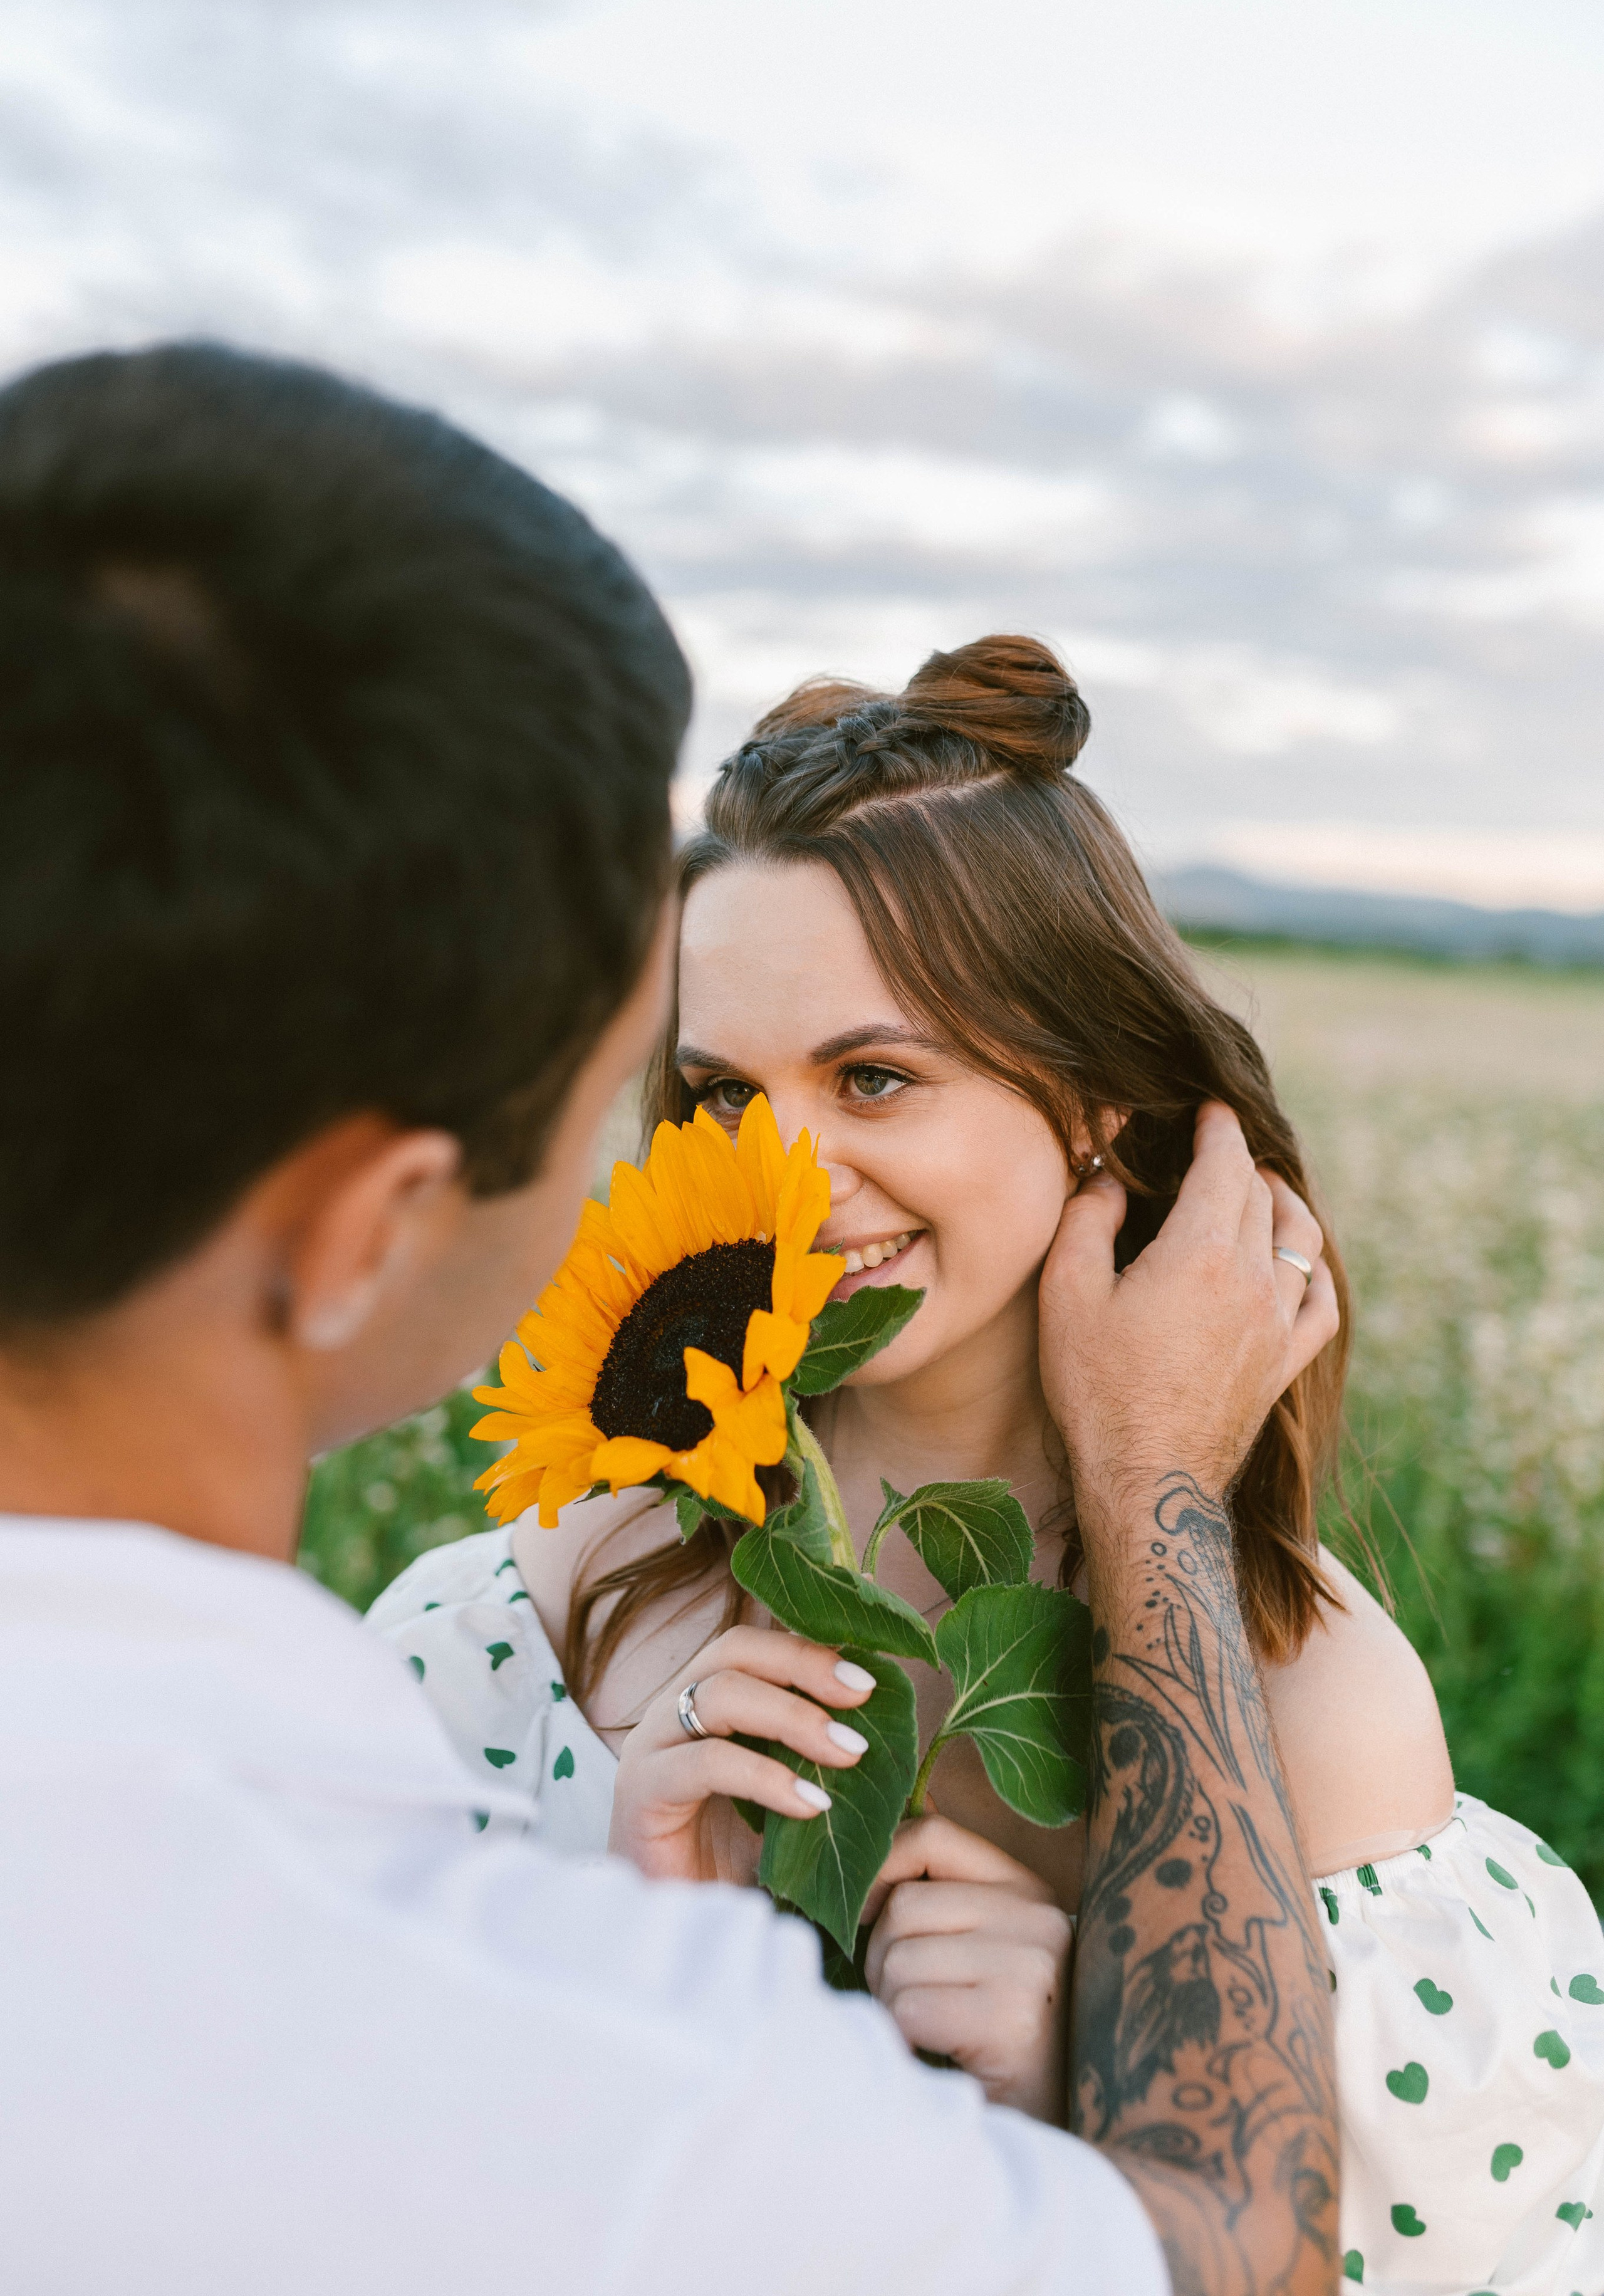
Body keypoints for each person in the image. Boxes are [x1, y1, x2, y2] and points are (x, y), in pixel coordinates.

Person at [0, 344, 1336, 2296]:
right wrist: (1158, 1488)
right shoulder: (572, 2029)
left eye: (876, 1078)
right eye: (684, 1094)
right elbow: (1236, 2252)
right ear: (367, 1223)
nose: (764, 1191)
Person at [382, 637, 1604, 2296]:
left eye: (877, 1077)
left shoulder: (1307, 1700)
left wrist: (1082, 2131)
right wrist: (635, 1953)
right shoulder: (525, 1624)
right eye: (721, 1092)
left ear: (1102, 1099)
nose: (785, 1173)